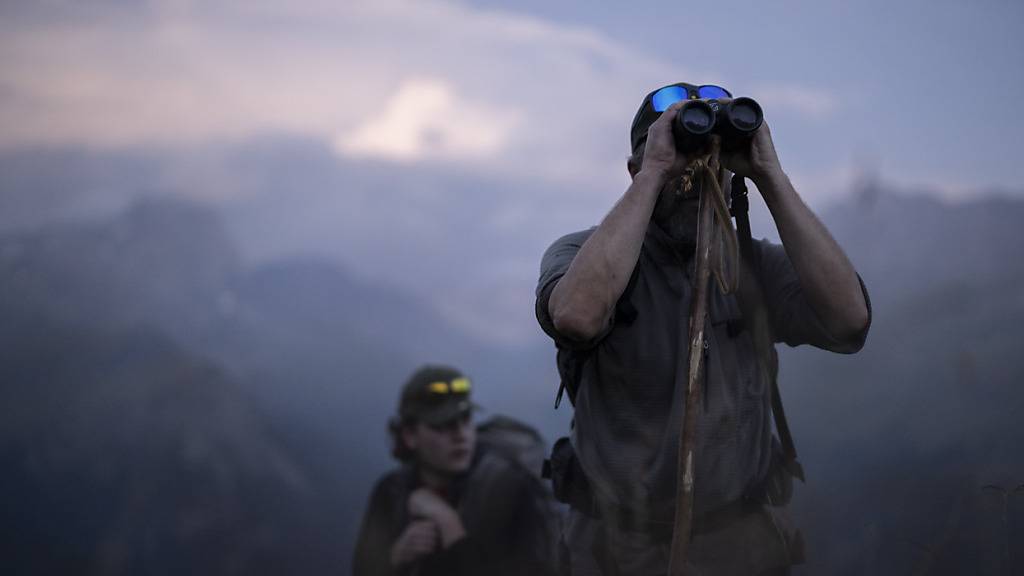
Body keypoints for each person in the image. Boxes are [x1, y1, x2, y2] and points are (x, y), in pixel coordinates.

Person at [535, 82, 872, 575]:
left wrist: (769, 176)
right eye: (677, 155)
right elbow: (577, 316)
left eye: (711, 159)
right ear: (634, 169)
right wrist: (656, 172)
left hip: (738, 542)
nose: (696, 172)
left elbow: (850, 321)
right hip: (615, 547)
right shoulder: (582, 255)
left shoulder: (750, 265)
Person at [352, 364, 557, 576]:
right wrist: (395, 557)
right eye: (443, 424)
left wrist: (447, 522)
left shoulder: (509, 488)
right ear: (410, 435)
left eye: (466, 419)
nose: (460, 435)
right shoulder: (392, 491)